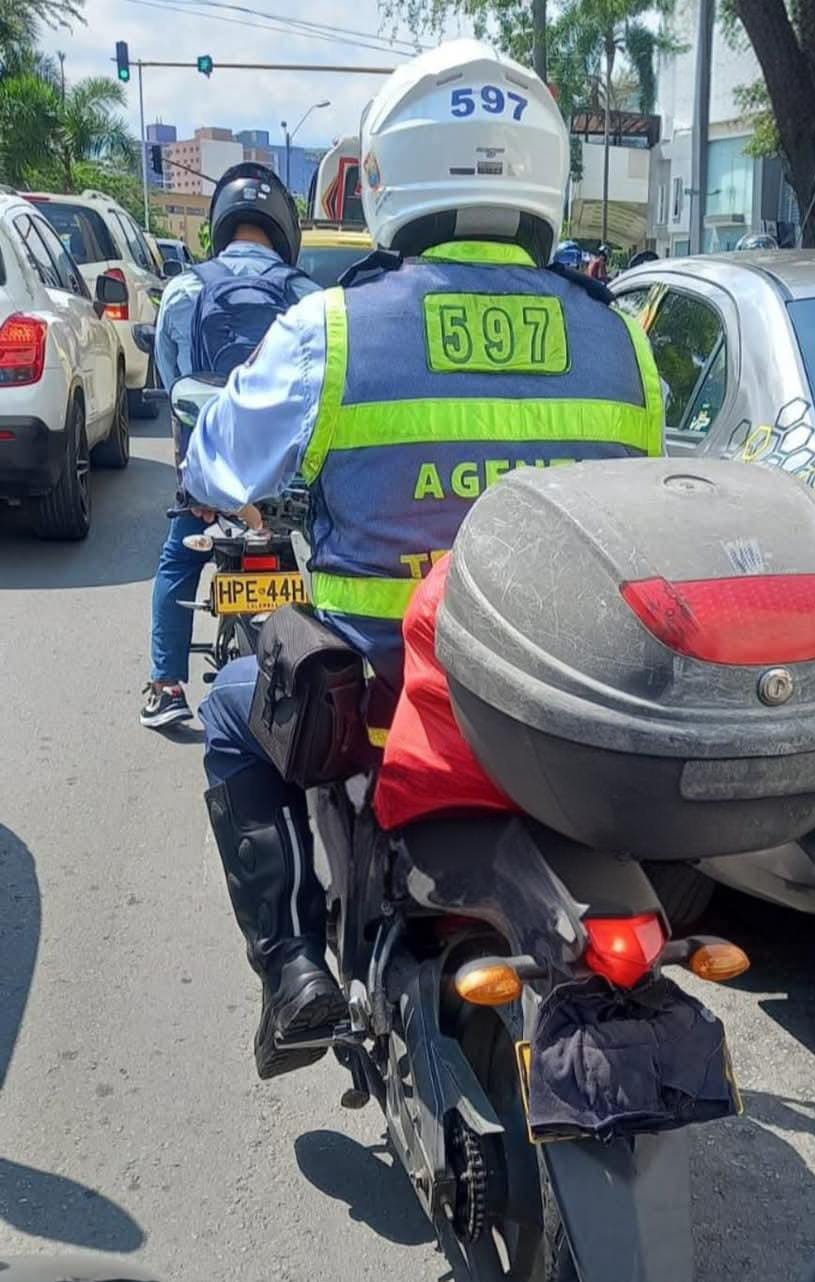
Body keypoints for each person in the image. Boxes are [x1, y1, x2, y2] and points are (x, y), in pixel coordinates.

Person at [180, 38, 665, 1081]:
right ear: (546, 176)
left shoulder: (337, 330)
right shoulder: (621, 340)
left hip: (388, 697)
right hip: (567, 703)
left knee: (226, 713)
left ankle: (293, 971)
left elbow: (217, 468)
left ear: (393, 174)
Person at [140, 163, 319, 730]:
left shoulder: (185, 289)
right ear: (283, 228)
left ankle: (166, 684)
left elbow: (175, 387)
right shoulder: (311, 297)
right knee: (328, 563)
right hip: (286, 482)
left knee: (178, 557)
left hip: (210, 484)